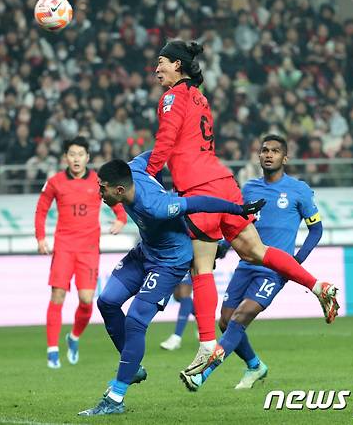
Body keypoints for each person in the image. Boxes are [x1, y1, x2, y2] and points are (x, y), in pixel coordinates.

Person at [145, 40, 338, 375]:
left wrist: (147, 178)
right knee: (255, 251)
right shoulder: (200, 96)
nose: (156, 68)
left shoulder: (172, 97)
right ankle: (318, 286)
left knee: (201, 267)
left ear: (177, 65)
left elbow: (165, 141)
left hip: (198, 189)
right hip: (223, 181)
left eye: (161, 62)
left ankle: (206, 345)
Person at [78, 151, 264, 416]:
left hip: (170, 262)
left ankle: (115, 398)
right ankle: (132, 367)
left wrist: (239, 210)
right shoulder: (134, 169)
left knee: (135, 319)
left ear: (119, 190)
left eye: (102, 189)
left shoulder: (155, 205)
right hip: (146, 252)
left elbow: (198, 203)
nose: (99, 194)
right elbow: (160, 151)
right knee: (106, 301)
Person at [181, 134, 324, 391]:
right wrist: (223, 247)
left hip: (274, 270)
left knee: (240, 317)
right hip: (246, 264)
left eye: (275, 151)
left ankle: (203, 373)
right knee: (224, 320)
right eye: (265, 150)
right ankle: (255, 366)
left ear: (285, 157)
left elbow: (316, 230)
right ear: (258, 156)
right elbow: (240, 227)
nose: (269, 155)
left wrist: (295, 263)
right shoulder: (248, 189)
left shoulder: (299, 190)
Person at [35, 136, 127, 369]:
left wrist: (121, 219)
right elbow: (41, 209)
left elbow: (116, 200)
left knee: (87, 301)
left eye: (80, 154)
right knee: (58, 296)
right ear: (65, 157)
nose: (76, 159)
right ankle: (52, 350)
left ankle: (74, 337)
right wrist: (40, 237)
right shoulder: (55, 182)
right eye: (72, 154)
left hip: (88, 250)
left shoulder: (98, 181)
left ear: (87, 157)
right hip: (64, 247)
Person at [159, 272, 194, 351]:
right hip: (174, 262)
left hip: (188, 262)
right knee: (178, 296)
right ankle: (204, 321)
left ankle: (176, 337)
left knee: (184, 293)